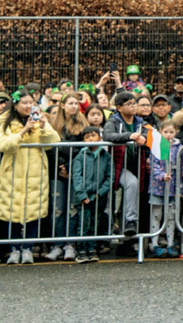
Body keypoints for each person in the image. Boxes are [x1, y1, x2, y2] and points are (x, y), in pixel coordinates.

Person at [0, 88, 60, 264]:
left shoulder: (39, 119)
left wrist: (43, 127)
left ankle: (27, 248)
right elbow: (4, 145)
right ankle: (14, 248)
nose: (28, 106)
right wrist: (23, 131)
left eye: (31, 103)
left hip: (36, 170)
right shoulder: (4, 121)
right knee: (12, 211)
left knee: (34, 210)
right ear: (15, 105)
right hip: (13, 170)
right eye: (24, 103)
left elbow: (53, 141)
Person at [44, 93, 89, 262]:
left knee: (72, 209)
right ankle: (57, 245)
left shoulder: (83, 123)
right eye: (70, 103)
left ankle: (70, 245)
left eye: (75, 103)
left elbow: (83, 148)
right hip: (58, 172)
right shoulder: (54, 124)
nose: (73, 106)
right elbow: (52, 147)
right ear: (62, 105)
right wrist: (60, 167)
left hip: (75, 172)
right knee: (58, 209)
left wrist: (70, 168)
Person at [102, 91, 147, 237]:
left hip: (137, 164)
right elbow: (108, 135)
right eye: (129, 104)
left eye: (134, 103)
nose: (133, 106)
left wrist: (144, 138)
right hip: (117, 165)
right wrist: (129, 136)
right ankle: (130, 221)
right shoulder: (113, 121)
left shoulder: (140, 122)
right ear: (119, 107)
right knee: (131, 183)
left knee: (133, 191)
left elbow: (151, 134)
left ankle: (128, 236)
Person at [70, 126, 111, 263]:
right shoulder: (80, 156)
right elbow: (77, 176)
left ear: (99, 137)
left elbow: (109, 177)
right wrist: (82, 195)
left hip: (97, 196)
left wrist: (100, 193)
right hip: (84, 197)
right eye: (87, 137)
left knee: (95, 222)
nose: (90, 139)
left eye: (93, 135)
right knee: (84, 223)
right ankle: (81, 249)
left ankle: (92, 248)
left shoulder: (106, 156)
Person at [148, 119, 181, 258]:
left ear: (176, 132)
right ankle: (154, 243)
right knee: (156, 215)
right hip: (158, 186)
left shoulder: (179, 147)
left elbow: (181, 164)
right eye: (165, 132)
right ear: (160, 132)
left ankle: (170, 243)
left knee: (171, 216)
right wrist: (162, 175)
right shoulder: (156, 146)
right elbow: (154, 165)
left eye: (171, 132)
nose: (168, 134)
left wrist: (180, 184)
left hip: (173, 187)